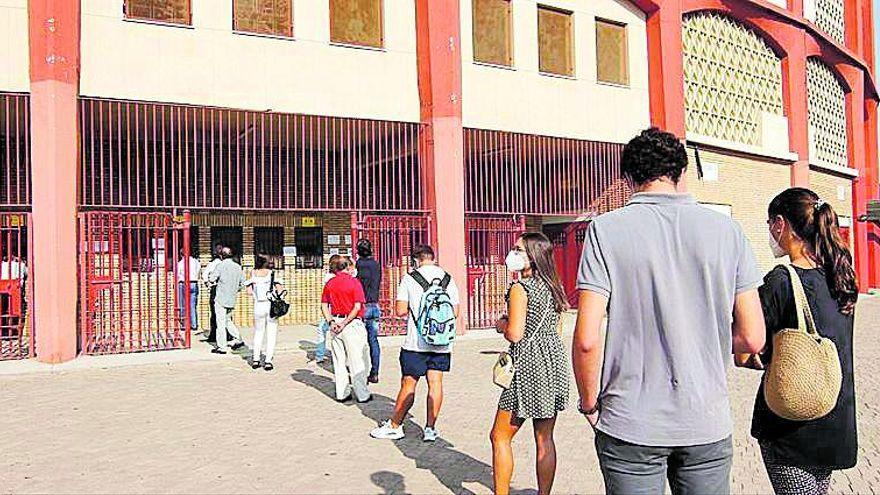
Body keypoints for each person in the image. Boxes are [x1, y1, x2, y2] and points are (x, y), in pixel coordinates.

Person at [572, 127, 766, 494]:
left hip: (630, 421)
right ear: (682, 173)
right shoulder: (728, 231)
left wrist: (588, 403)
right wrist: (700, 340)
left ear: (628, 177)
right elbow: (753, 336)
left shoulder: (605, 231)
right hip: (704, 420)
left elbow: (586, 339)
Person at [737, 188, 858, 495]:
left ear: (781, 224)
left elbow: (745, 349)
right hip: (834, 418)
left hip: (791, 426)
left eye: (769, 224)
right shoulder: (841, 276)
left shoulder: (781, 281)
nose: (769, 231)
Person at [491, 233, 570, 495]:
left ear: (533, 256)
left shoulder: (520, 288)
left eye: (518, 250)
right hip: (552, 362)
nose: (512, 254)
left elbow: (515, 333)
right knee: (544, 438)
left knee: (500, 436)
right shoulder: (553, 286)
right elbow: (557, 328)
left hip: (527, 365)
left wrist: (502, 324)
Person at [370, 244, 460, 443]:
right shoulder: (447, 278)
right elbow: (455, 312)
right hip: (442, 341)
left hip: (416, 342)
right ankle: (430, 428)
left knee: (409, 384)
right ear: (433, 257)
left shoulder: (410, 278)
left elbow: (401, 310)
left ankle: (395, 425)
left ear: (416, 259)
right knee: (435, 383)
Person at [321, 255, 372, 403]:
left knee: (339, 360)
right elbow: (357, 306)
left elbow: (324, 305)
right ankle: (362, 394)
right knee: (357, 359)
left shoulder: (330, 283)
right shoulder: (354, 282)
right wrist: (345, 323)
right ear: (346, 267)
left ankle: (342, 393)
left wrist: (330, 321)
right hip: (351, 323)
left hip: (335, 321)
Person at [246, 253, 284, 371]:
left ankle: (256, 359)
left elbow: (248, 291)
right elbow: (280, 289)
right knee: (271, 333)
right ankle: (268, 361)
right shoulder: (271, 273)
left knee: (258, 332)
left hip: (258, 305)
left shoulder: (253, 273)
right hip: (269, 305)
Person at [208, 246, 245, 354]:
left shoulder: (220, 266)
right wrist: (234, 290)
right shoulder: (238, 267)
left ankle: (222, 347)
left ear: (221, 256)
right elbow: (242, 284)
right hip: (231, 298)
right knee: (228, 321)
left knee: (220, 323)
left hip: (220, 298)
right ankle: (238, 339)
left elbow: (212, 278)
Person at [356, 239, 383, 383]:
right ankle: (375, 372)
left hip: (362, 306)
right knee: (373, 341)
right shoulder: (376, 264)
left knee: (360, 342)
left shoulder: (360, 264)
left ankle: (361, 373)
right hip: (375, 305)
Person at [203, 243, 234, 343]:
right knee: (226, 315)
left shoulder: (214, 263)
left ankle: (218, 336)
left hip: (217, 290)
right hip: (224, 290)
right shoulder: (217, 263)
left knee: (217, 315)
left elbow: (206, 276)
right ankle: (227, 335)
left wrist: (209, 284)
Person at [315, 255, 340, 363]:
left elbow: (326, 297)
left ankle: (320, 356)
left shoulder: (328, 277)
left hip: (331, 310)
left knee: (322, 329)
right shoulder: (347, 276)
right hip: (340, 308)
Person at [176, 249, 201, 333]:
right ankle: (194, 324)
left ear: (181, 254)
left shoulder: (180, 263)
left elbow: (178, 275)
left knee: (183, 304)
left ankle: (184, 325)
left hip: (184, 283)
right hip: (194, 283)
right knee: (193, 305)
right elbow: (198, 271)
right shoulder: (196, 262)